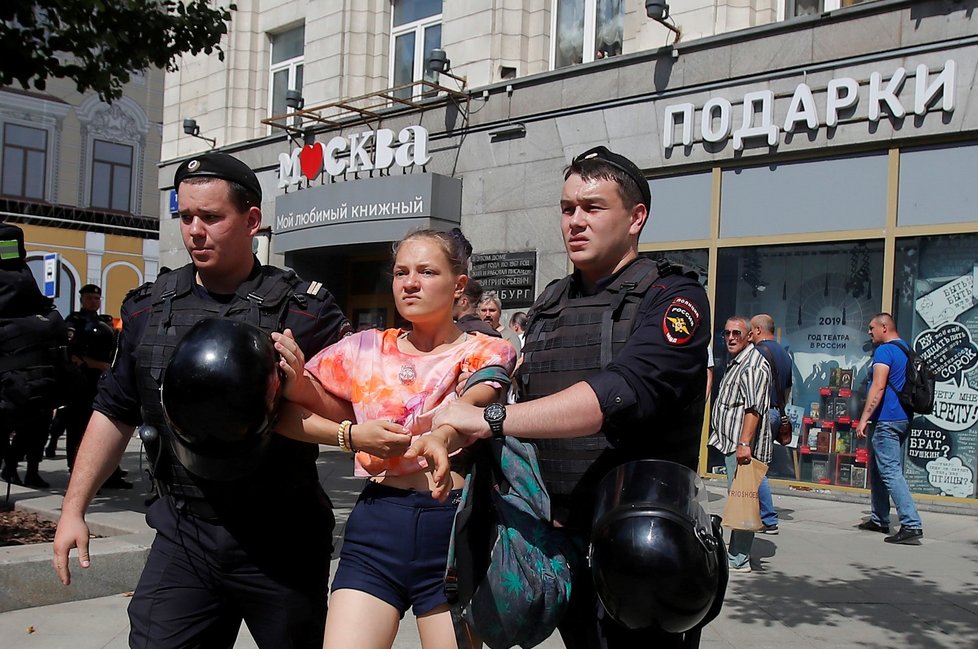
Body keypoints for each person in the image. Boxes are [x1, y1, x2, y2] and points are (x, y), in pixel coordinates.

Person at [52, 151, 392, 649]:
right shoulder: (150, 309)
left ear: (252, 220)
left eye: (211, 217)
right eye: (186, 216)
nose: (194, 230)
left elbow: (353, 414)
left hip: (281, 539)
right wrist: (72, 508)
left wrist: (302, 386)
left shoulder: (305, 312)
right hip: (186, 531)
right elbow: (115, 410)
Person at [421, 146, 711, 648]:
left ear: (636, 217)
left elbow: (622, 391)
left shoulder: (673, 296)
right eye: (567, 208)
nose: (575, 221)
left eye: (593, 207)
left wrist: (493, 418)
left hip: (640, 550)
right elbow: (523, 387)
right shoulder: (552, 300)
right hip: (554, 537)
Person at [276, 228, 516, 649]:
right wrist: (349, 434)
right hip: (376, 525)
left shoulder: (484, 349)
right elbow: (290, 410)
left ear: (458, 285)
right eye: (401, 272)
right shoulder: (362, 349)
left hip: (450, 531)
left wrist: (441, 432)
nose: (410, 282)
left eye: (426, 271)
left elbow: (480, 394)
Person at [709, 315, 771, 573]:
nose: (731, 338)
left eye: (737, 333)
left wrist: (744, 443)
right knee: (739, 498)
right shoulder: (738, 361)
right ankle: (736, 553)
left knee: (744, 498)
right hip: (732, 442)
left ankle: (739, 558)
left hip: (741, 445)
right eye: (727, 333)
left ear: (748, 336)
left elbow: (753, 409)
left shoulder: (753, 365)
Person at [855, 313, 923, 545]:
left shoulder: (884, 351)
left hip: (887, 418)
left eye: (872, 327)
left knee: (890, 471)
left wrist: (864, 417)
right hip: (903, 417)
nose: (869, 332)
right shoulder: (906, 349)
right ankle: (880, 518)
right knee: (878, 468)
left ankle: (911, 524)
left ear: (884, 327)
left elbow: (879, 385)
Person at [749, 313, 792, 535]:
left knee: (756, 467)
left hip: (763, 412)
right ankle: (762, 515)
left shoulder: (758, 353)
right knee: (760, 465)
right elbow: (786, 389)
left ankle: (768, 518)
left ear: (757, 330)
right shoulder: (784, 354)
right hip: (777, 411)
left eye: (750, 330)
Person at [479, 291, 522, 356]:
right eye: (484, 310)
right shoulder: (472, 335)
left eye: (492, 310)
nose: (487, 314)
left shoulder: (510, 337)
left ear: (500, 313)